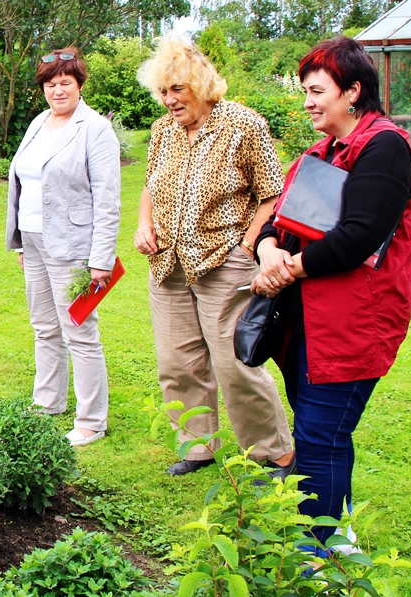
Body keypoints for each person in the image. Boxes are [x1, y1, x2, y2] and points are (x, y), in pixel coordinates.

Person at [252, 36, 411, 554]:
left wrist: (287, 269)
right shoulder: (319, 152)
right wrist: (269, 251)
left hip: (350, 327)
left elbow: (358, 237)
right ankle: (335, 537)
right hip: (306, 325)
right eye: (305, 91)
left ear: (353, 91)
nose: (307, 102)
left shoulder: (384, 148)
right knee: (322, 435)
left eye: (317, 90)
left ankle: (312, 553)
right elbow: (274, 222)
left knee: (319, 438)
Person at [133, 36, 294, 476]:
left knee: (235, 363)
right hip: (168, 262)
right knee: (176, 362)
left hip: (225, 260)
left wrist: (248, 246)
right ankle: (198, 446)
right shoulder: (163, 131)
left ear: (200, 85)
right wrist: (143, 225)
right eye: (163, 92)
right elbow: (149, 184)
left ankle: (273, 453)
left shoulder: (244, 125)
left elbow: (272, 195)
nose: (168, 101)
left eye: (176, 90)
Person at [5, 47, 121, 447]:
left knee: (79, 330)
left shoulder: (94, 129)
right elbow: (24, 182)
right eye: (50, 84)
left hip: (73, 245)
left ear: (79, 84)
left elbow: (107, 198)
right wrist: (20, 242)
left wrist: (101, 259)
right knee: (43, 327)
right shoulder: (39, 123)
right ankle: (47, 402)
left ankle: (91, 420)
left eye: (65, 83)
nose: (58, 90)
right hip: (34, 241)